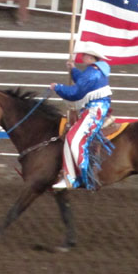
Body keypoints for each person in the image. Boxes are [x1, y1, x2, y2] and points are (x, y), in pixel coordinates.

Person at [49, 49, 112, 190]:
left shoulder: (92, 72)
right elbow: (83, 82)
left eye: (85, 55)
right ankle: (69, 176)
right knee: (70, 137)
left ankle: (82, 176)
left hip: (94, 111)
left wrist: (57, 87)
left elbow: (76, 93)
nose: (83, 56)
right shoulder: (95, 71)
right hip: (97, 109)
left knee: (73, 138)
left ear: (91, 57)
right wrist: (73, 70)